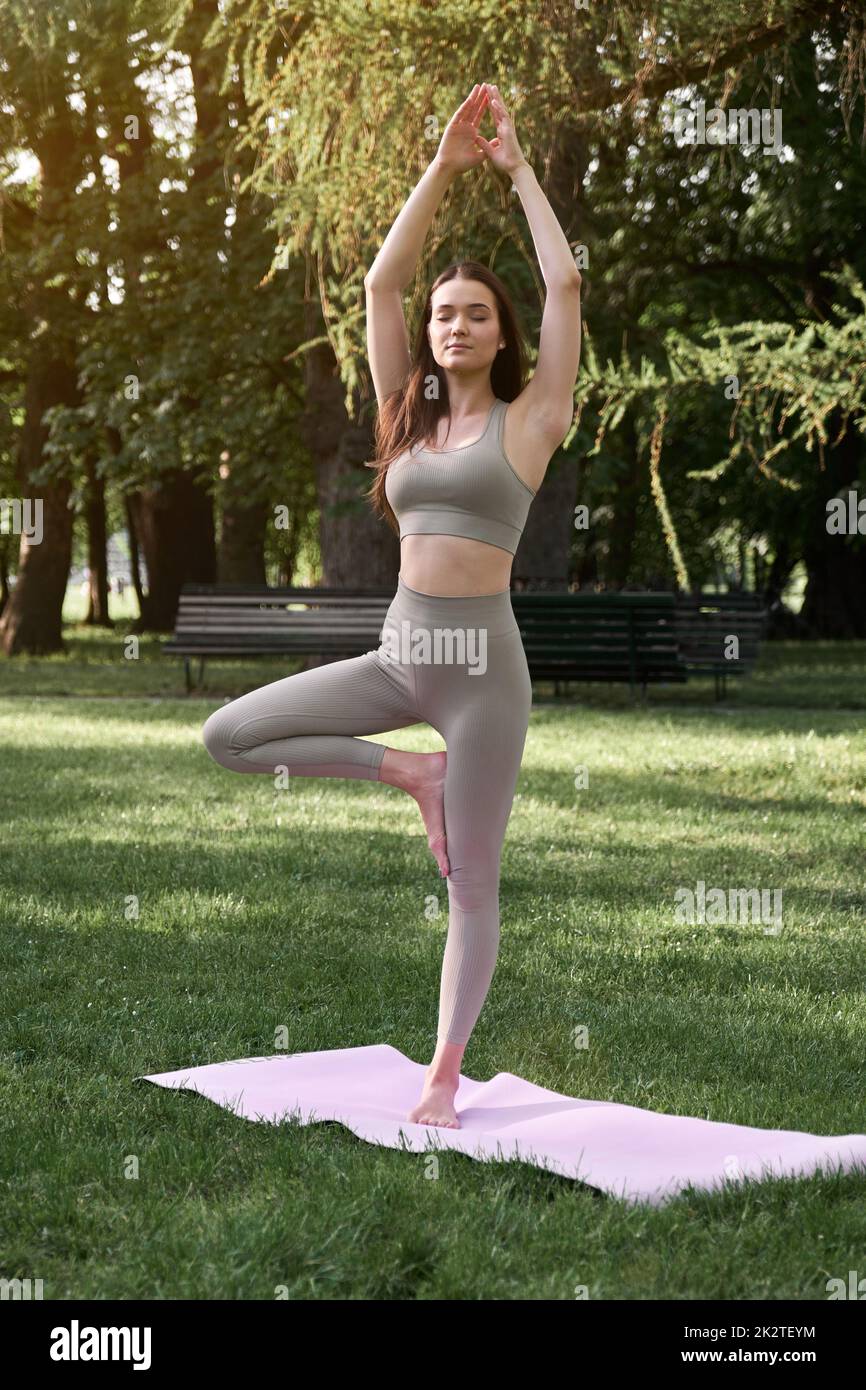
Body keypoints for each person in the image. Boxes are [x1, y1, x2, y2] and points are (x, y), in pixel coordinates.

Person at [202, 82, 582, 1129]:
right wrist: (443, 163)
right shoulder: (401, 423)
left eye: (475, 314)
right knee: (230, 734)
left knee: (471, 883)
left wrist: (514, 174)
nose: (453, 323)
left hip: (483, 682)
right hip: (399, 659)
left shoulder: (531, 419)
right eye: (443, 313)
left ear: (499, 337)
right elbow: (380, 281)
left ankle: (443, 1072)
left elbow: (560, 285)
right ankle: (407, 772)